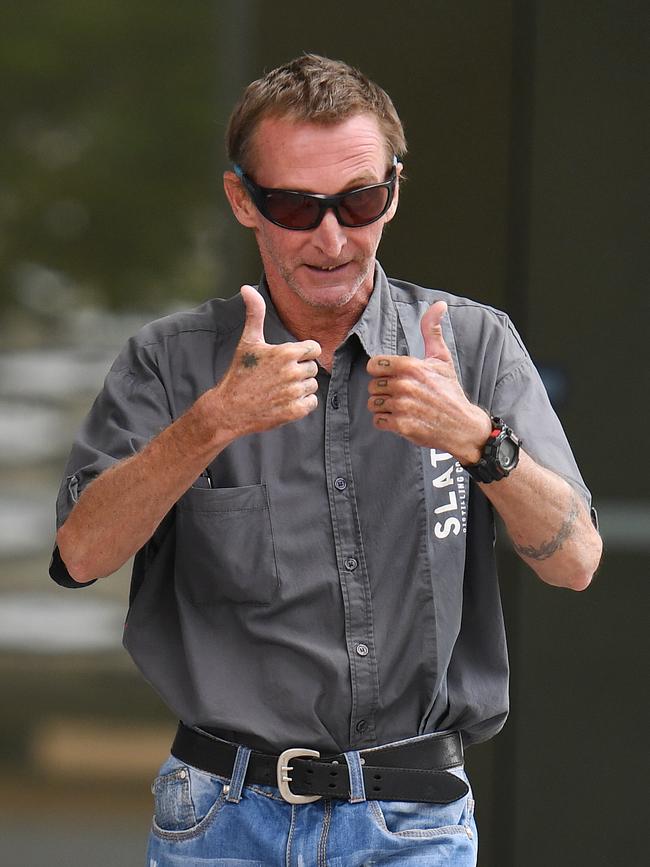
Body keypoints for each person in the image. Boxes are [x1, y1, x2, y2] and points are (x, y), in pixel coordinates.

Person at [50, 54, 602, 866]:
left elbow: (578, 560)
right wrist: (209, 425)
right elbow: (80, 552)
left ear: (395, 190)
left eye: (359, 200)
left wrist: (481, 442)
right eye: (295, 207)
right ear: (244, 199)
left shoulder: (473, 345)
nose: (333, 237)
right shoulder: (169, 363)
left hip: (415, 820)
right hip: (220, 817)